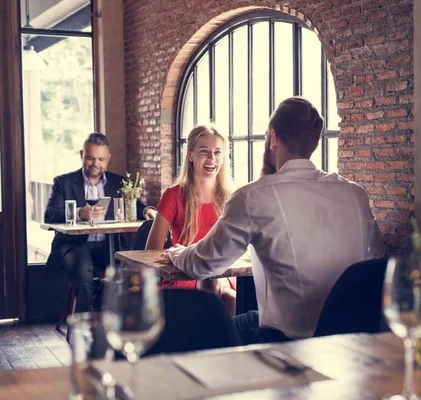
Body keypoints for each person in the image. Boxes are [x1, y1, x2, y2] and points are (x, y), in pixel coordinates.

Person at [165, 97, 385, 345]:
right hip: (352, 337)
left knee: (202, 333)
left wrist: (177, 252)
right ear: (314, 141)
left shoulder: (252, 196)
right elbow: (375, 260)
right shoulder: (355, 193)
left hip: (289, 340)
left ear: (273, 138)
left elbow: (203, 265)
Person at [45, 133, 156, 311]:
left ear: (108, 159)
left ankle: (114, 314)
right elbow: (49, 214)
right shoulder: (63, 183)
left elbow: (137, 206)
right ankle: (94, 316)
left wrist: (147, 210)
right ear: (82, 154)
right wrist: (80, 213)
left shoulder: (118, 182)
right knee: (82, 269)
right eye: (90, 158)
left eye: (101, 159)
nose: (95, 163)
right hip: (74, 246)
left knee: (131, 270)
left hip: (109, 245)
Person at [145, 124, 237, 315]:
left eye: (217, 152)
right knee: (214, 287)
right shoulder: (173, 195)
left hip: (223, 274)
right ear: (190, 155)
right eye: (204, 151)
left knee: (228, 294)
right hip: (183, 274)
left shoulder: (232, 196)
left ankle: (214, 343)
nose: (212, 158)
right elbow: (151, 251)